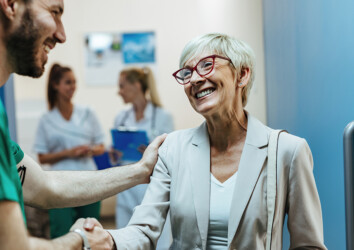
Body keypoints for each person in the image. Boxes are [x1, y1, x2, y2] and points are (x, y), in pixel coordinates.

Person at [0, 0, 166, 249]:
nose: (62, 35)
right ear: (10, 4)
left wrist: (141, 170)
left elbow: (45, 186)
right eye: (54, 12)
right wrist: (82, 241)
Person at [83, 33, 327, 249]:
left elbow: (309, 245)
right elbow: (144, 230)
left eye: (207, 65)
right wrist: (109, 240)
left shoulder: (287, 151)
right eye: (187, 73)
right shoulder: (173, 149)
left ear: (242, 74)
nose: (194, 80)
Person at [33, 63, 105, 238]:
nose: (73, 87)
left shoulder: (88, 113)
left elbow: (101, 147)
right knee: (62, 232)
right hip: (59, 184)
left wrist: (90, 150)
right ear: (55, 85)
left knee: (90, 231)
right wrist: (68, 153)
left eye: (74, 82)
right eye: (68, 82)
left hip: (89, 181)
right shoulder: (46, 119)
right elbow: (42, 157)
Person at [113, 67, 174, 249]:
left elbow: (171, 154)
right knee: (124, 237)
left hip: (151, 186)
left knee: (158, 237)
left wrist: (149, 150)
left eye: (122, 86)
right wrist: (114, 154)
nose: (119, 91)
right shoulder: (121, 118)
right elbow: (116, 156)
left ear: (136, 85)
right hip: (126, 186)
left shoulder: (162, 117)